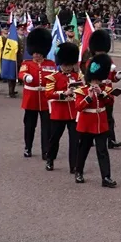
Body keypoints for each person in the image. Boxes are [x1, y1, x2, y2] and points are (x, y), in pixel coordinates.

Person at [73, 53, 117, 188]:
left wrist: (102, 93)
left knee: (102, 151)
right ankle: (78, 172)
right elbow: (78, 107)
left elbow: (110, 101)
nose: (97, 83)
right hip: (87, 124)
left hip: (101, 123)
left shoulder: (106, 89)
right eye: (95, 81)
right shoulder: (82, 91)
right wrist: (89, 97)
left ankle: (106, 177)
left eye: (99, 81)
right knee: (83, 149)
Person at [44, 42, 81, 173]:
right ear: (61, 64)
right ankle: (50, 159)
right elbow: (48, 94)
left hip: (73, 113)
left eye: (70, 65)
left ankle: (74, 165)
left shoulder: (78, 77)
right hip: (59, 113)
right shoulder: (52, 77)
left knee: (75, 140)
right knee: (54, 139)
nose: (68, 68)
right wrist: (63, 94)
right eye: (66, 65)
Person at [18, 27, 55, 159]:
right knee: (29, 126)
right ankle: (28, 147)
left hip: (45, 100)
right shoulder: (26, 63)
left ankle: (46, 150)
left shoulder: (50, 64)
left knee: (47, 128)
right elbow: (21, 73)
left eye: (39, 53)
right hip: (31, 99)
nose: (36, 55)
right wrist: (26, 77)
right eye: (34, 53)